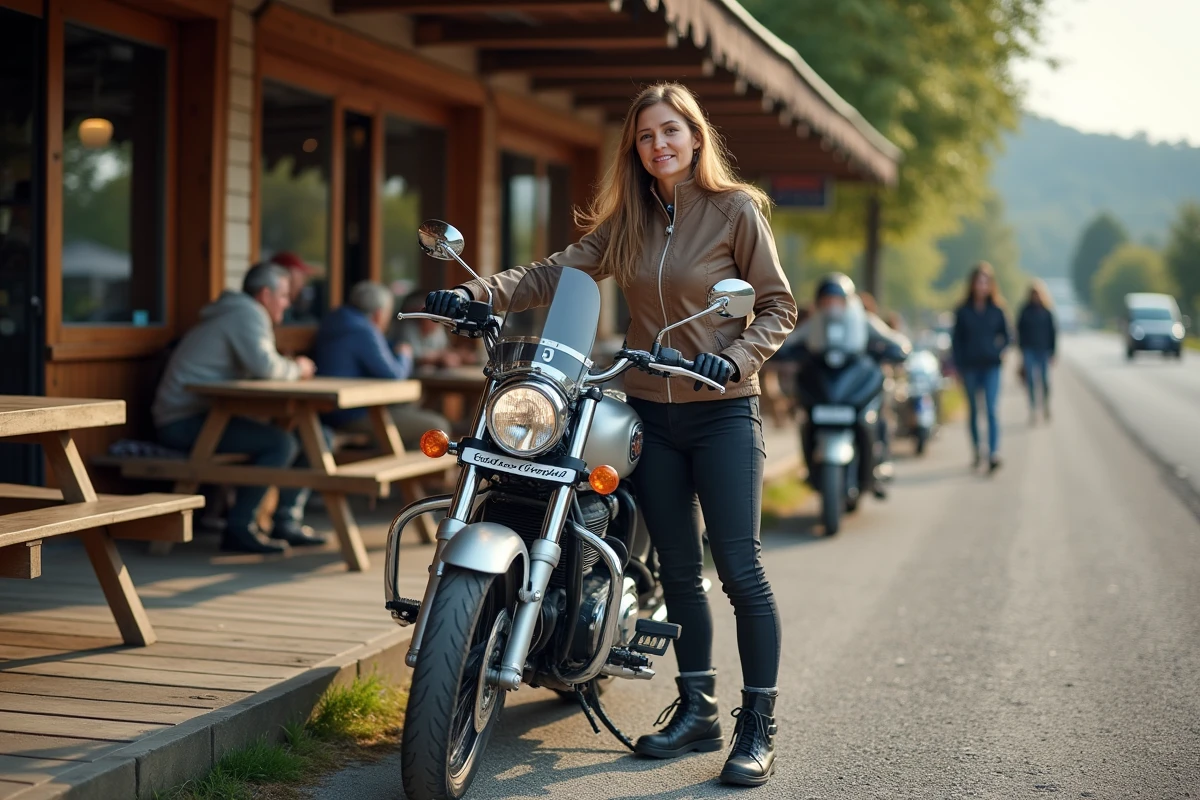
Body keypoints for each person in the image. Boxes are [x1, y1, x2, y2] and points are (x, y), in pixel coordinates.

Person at [426, 82, 797, 786]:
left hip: (721, 409)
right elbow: (552, 273)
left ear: (695, 136)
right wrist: (475, 293)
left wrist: (735, 358)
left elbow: (778, 305)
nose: (659, 145)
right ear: (635, 148)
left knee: (739, 569)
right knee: (678, 570)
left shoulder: (736, 210)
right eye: (646, 135)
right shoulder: (628, 220)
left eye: (671, 131)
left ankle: (757, 725)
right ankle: (698, 710)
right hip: (648, 411)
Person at [152, 263, 327, 553]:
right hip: (182, 422)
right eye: (284, 295)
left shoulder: (237, 312)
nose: (288, 303)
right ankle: (240, 528)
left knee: (309, 438)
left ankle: (282, 522)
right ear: (265, 294)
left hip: (195, 417)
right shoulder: (247, 313)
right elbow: (266, 367)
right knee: (282, 444)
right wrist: (299, 368)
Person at [778, 274, 910, 499]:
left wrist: (898, 348)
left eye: (837, 299)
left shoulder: (864, 321)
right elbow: (791, 341)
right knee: (806, 420)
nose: (832, 305)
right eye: (826, 300)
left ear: (848, 301)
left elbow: (891, 339)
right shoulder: (814, 325)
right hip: (823, 384)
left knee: (873, 416)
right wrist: (778, 350)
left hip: (853, 383)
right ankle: (812, 470)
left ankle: (877, 464)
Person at [311, 281, 450, 448]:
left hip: (329, 410)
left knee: (412, 411)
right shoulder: (364, 330)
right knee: (438, 428)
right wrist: (405, 354)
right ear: (378, 314)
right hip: (351, 414)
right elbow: (395, 376)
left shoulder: (336, 319)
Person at [951, 261, 1011, 472]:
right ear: (973, 284)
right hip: (970, 367)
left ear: (990, 285)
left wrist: (999, 351)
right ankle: (977, 450)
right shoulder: (963, 311)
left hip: (991, 366)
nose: (982, 286)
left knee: (991, 409)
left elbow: (1007, 335)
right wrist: (957, 366)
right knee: (974, 411)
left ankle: (993, 453)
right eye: (979, 282)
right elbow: (956, 341)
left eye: (986, 282)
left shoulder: (997, 309)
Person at [393, 291, 477, 369]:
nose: (435, 321)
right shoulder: (408, 329)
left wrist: (459, 354)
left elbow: (445, 350)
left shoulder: (437, 328)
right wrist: (439, 358)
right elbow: (414, 358)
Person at [1016, 279, 1057, 423]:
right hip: (1029, 350)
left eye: (1038, 294)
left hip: (1044, 350)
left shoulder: (1046, 312)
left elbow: (1053, 332)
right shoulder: (1025, 311)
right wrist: (1021, 349)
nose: (1036, 297)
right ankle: (1033, 408)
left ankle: (1045, 405)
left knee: (1044, 380)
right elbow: (1019, 331)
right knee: (1031, 381)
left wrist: (1053, 352)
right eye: (1033, 294)